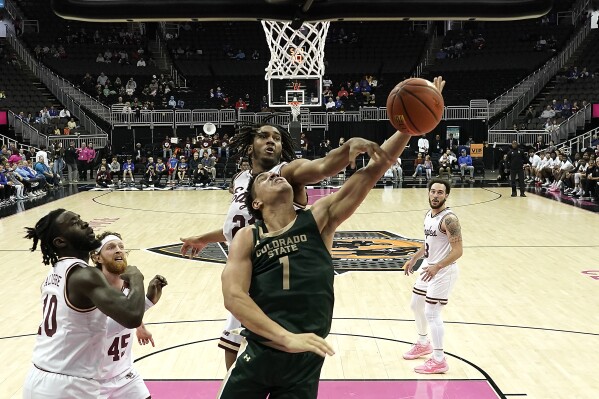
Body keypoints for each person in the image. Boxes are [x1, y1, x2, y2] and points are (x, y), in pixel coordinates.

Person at [217, 98, 436, 396]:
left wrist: (408, 127)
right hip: (260, 354)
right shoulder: (248, 236)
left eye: (277, 174)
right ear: (256, 202)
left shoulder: (318, 220)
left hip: (305, 361)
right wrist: (284, 337)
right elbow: (233, 297)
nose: (275, 175)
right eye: (267, 179)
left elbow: (374, 169)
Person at [181, 120, 389, 370]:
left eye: (277, 138)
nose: (271, 141)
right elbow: (238, 226)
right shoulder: (240, 179)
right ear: (250, 147)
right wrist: (204, 238)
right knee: (232, 344)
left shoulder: (285, 174)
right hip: (247, 271)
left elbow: (321, 167)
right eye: (264, 136)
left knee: (270, 350)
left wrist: (347, 150)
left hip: (276, 271)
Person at [22, 209, 147, 398]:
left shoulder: (55, 272)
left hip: (39, 376)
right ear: (60, 242)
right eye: (74, 223)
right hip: (67, 384)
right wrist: (137, 278)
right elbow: (132, 316)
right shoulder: (85, 274)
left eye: (81, 219)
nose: (85, 224)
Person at [91, 232, 167, 399]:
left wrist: (141, 325)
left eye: (121, 247)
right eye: (111, 247)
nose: (118, 250)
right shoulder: (91, 289)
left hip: (125, 375)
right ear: (97, 258)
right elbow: (103, 329)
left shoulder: (129, 287)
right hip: (92, 381)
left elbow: (128, 311)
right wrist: (147, 303)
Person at [402, 178, 463, 374]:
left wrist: (437, 266)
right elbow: (428, 242)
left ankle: (439, 360)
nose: (435, 195)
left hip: (444, 270)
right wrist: (414, 259)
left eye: (440, 192)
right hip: (429, 267)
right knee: (415, 304)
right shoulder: (429, 215)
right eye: (433, 191)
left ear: (446, 195)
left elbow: (458, 251)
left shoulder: (450, 219)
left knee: (432, 313)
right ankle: (423, 343)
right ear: (428, 193)